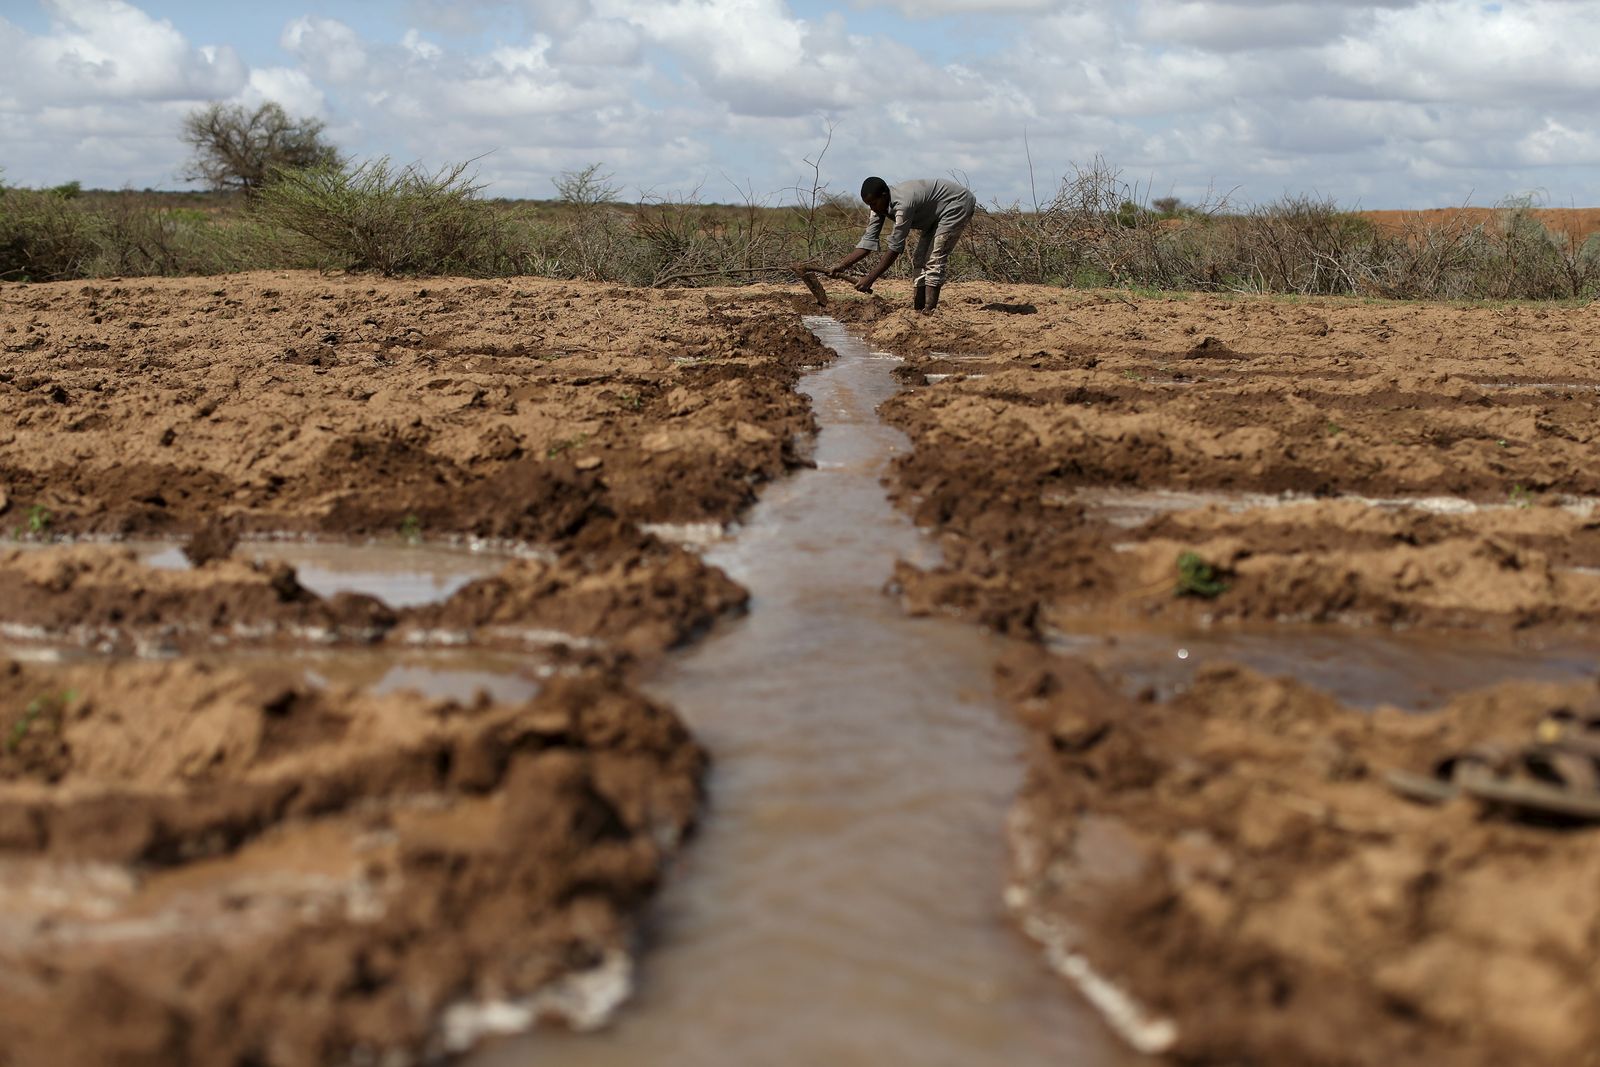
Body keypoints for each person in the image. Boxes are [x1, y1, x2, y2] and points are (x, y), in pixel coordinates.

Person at [826, 176, 977, 314]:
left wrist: (871, 278)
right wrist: (842, 266)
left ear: (884, 195)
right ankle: (919, 310)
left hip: (956, 204)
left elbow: (895, 247)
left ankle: (930, 311)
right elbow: (867, 243)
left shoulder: (903, 204)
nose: (872, 208)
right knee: (919, 259)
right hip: (934, 216)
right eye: (868, 205)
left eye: (873, 203)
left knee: (934, 258)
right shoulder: (878, 207)